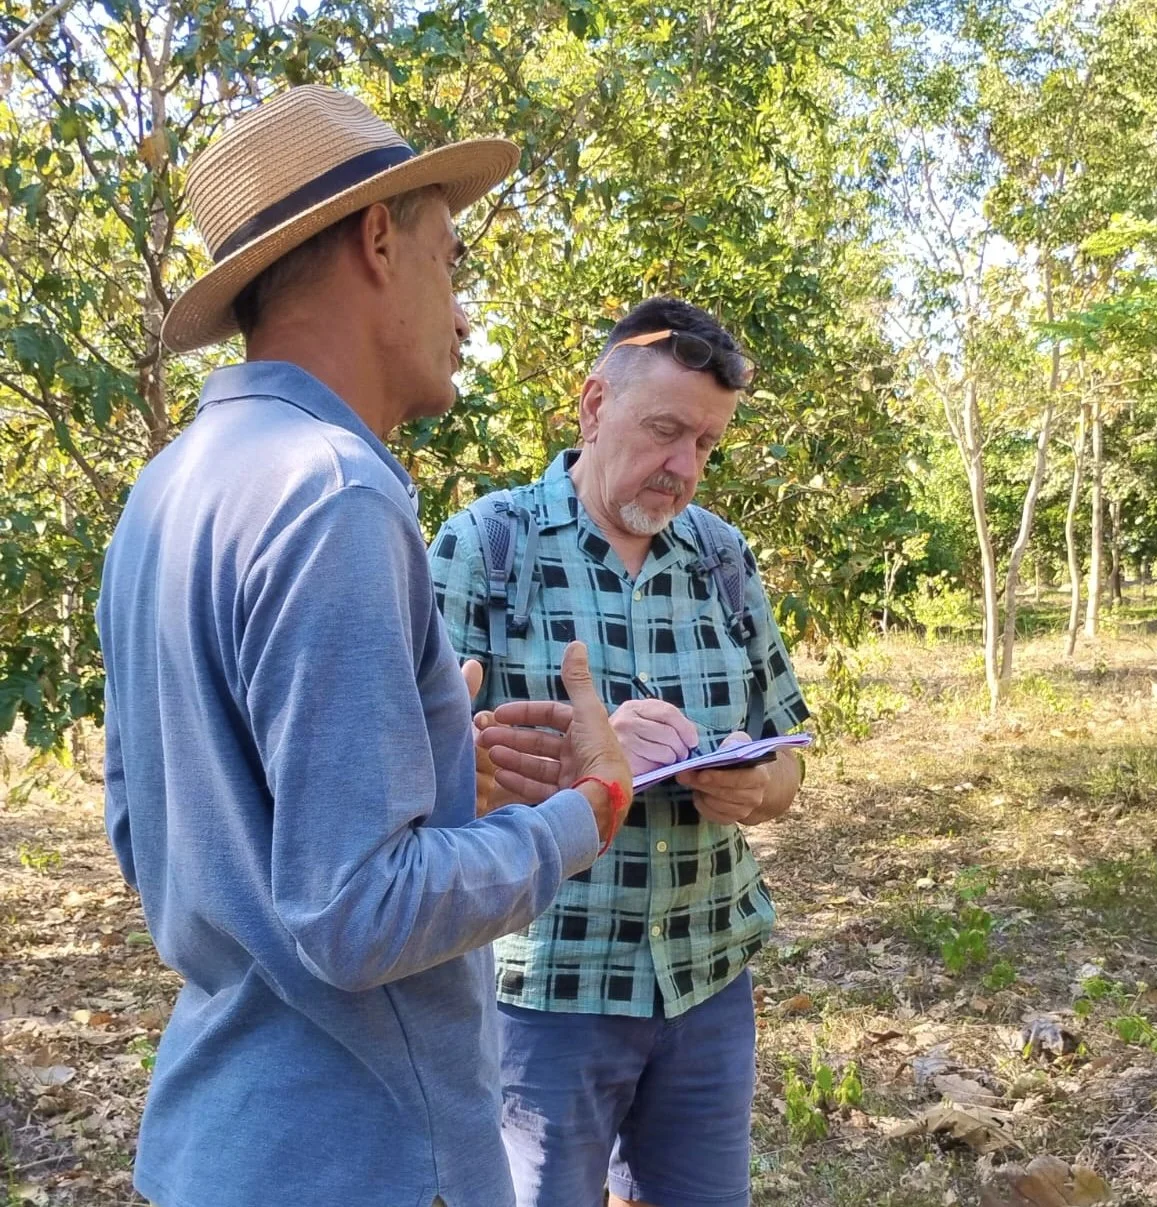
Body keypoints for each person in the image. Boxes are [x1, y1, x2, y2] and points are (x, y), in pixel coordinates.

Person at [96, 84, 633, 1207]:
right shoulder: (335, 494)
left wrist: (435, 782)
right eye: (451, 259)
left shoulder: (167, 493)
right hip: (365, 1152)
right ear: (378, 239)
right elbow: (354, 912)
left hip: (217, 1142)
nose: (466, 313)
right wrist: (577, 818)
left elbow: (155, 825)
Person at [429, 297, 810, 1207]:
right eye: (666, 430)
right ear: (594, 405)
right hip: (547, 992)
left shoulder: (723, 557)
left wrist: (756, 787)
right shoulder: (485, 549)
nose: (683, 468)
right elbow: (417, 783)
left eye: (707, 444)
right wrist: (584, 766)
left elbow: (790, 755)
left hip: (707, 982)